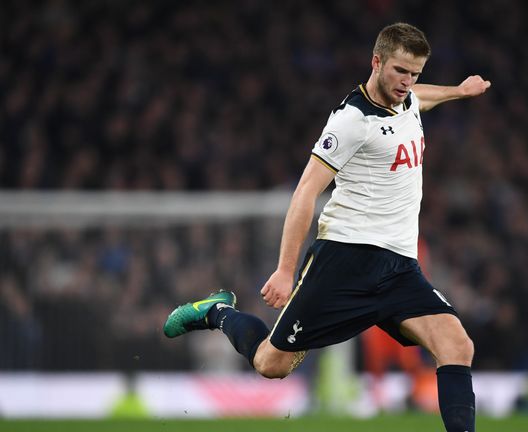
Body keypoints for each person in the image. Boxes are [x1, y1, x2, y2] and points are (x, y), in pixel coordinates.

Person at [164, 22, 490, 432]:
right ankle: (216, 311)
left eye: (415, 73)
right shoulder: (350, 120)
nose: (408, 82)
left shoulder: (405, 98)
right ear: (376, 62)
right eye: (400, 72)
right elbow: (304, 193)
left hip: (400, 269)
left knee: (457, 344)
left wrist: (458, 91)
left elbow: (418, 101)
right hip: (345, 263)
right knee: (270, 363)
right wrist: (285, 269)